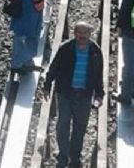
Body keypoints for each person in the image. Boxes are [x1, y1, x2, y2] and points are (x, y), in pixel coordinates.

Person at [43, 22, 104, 168]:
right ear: (74, 33)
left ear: (90, 34)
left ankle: (75, 156)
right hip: (65, 93)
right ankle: (63, 156)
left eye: (85, 32)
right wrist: (47, 85)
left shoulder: (95, 51)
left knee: (80, 127)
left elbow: (98, 75)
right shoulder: (66, 48)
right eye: (79, 32)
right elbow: (54, 67)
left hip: (84, 94)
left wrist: (99, 94)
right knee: (62, 124)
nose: (82, 35)